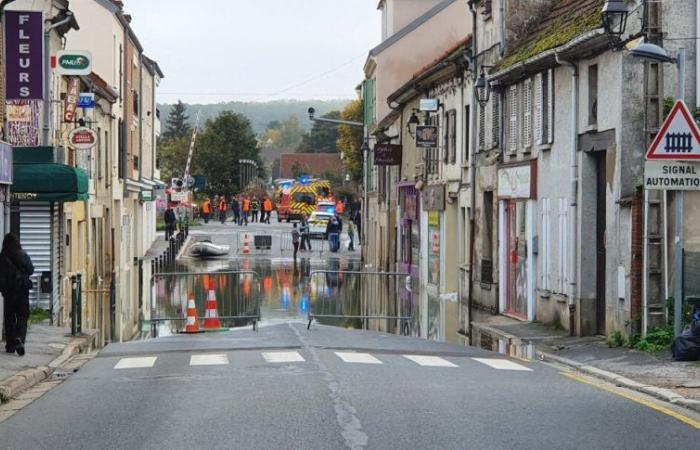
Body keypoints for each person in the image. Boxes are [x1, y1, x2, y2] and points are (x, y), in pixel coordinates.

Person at [0, 234, 34, 356]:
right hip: (22, 290)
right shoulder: (23, 255)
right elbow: (31, 270)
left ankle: (10, 345)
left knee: (9, 319)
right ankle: (19, 339)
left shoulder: (2, 257)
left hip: (8, 292)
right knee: (22, 317)